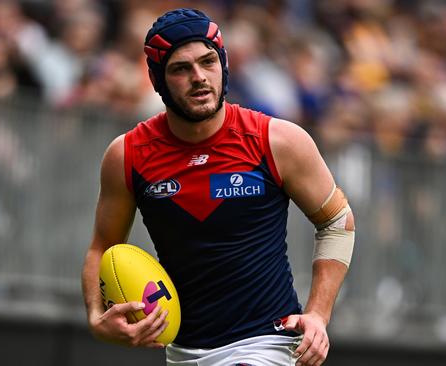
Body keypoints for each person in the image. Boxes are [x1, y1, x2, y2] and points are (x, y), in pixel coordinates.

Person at [81, 8, 355, 366]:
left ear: (223, 65)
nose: (199, 77)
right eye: (181, 68)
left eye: (208, 61)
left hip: (267, 346)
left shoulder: (276, 140)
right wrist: (96, 319)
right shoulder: (127, 154)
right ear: (157, 79)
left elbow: (338, 222)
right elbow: (102, 248)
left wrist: (318, 315)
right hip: (181, 353)